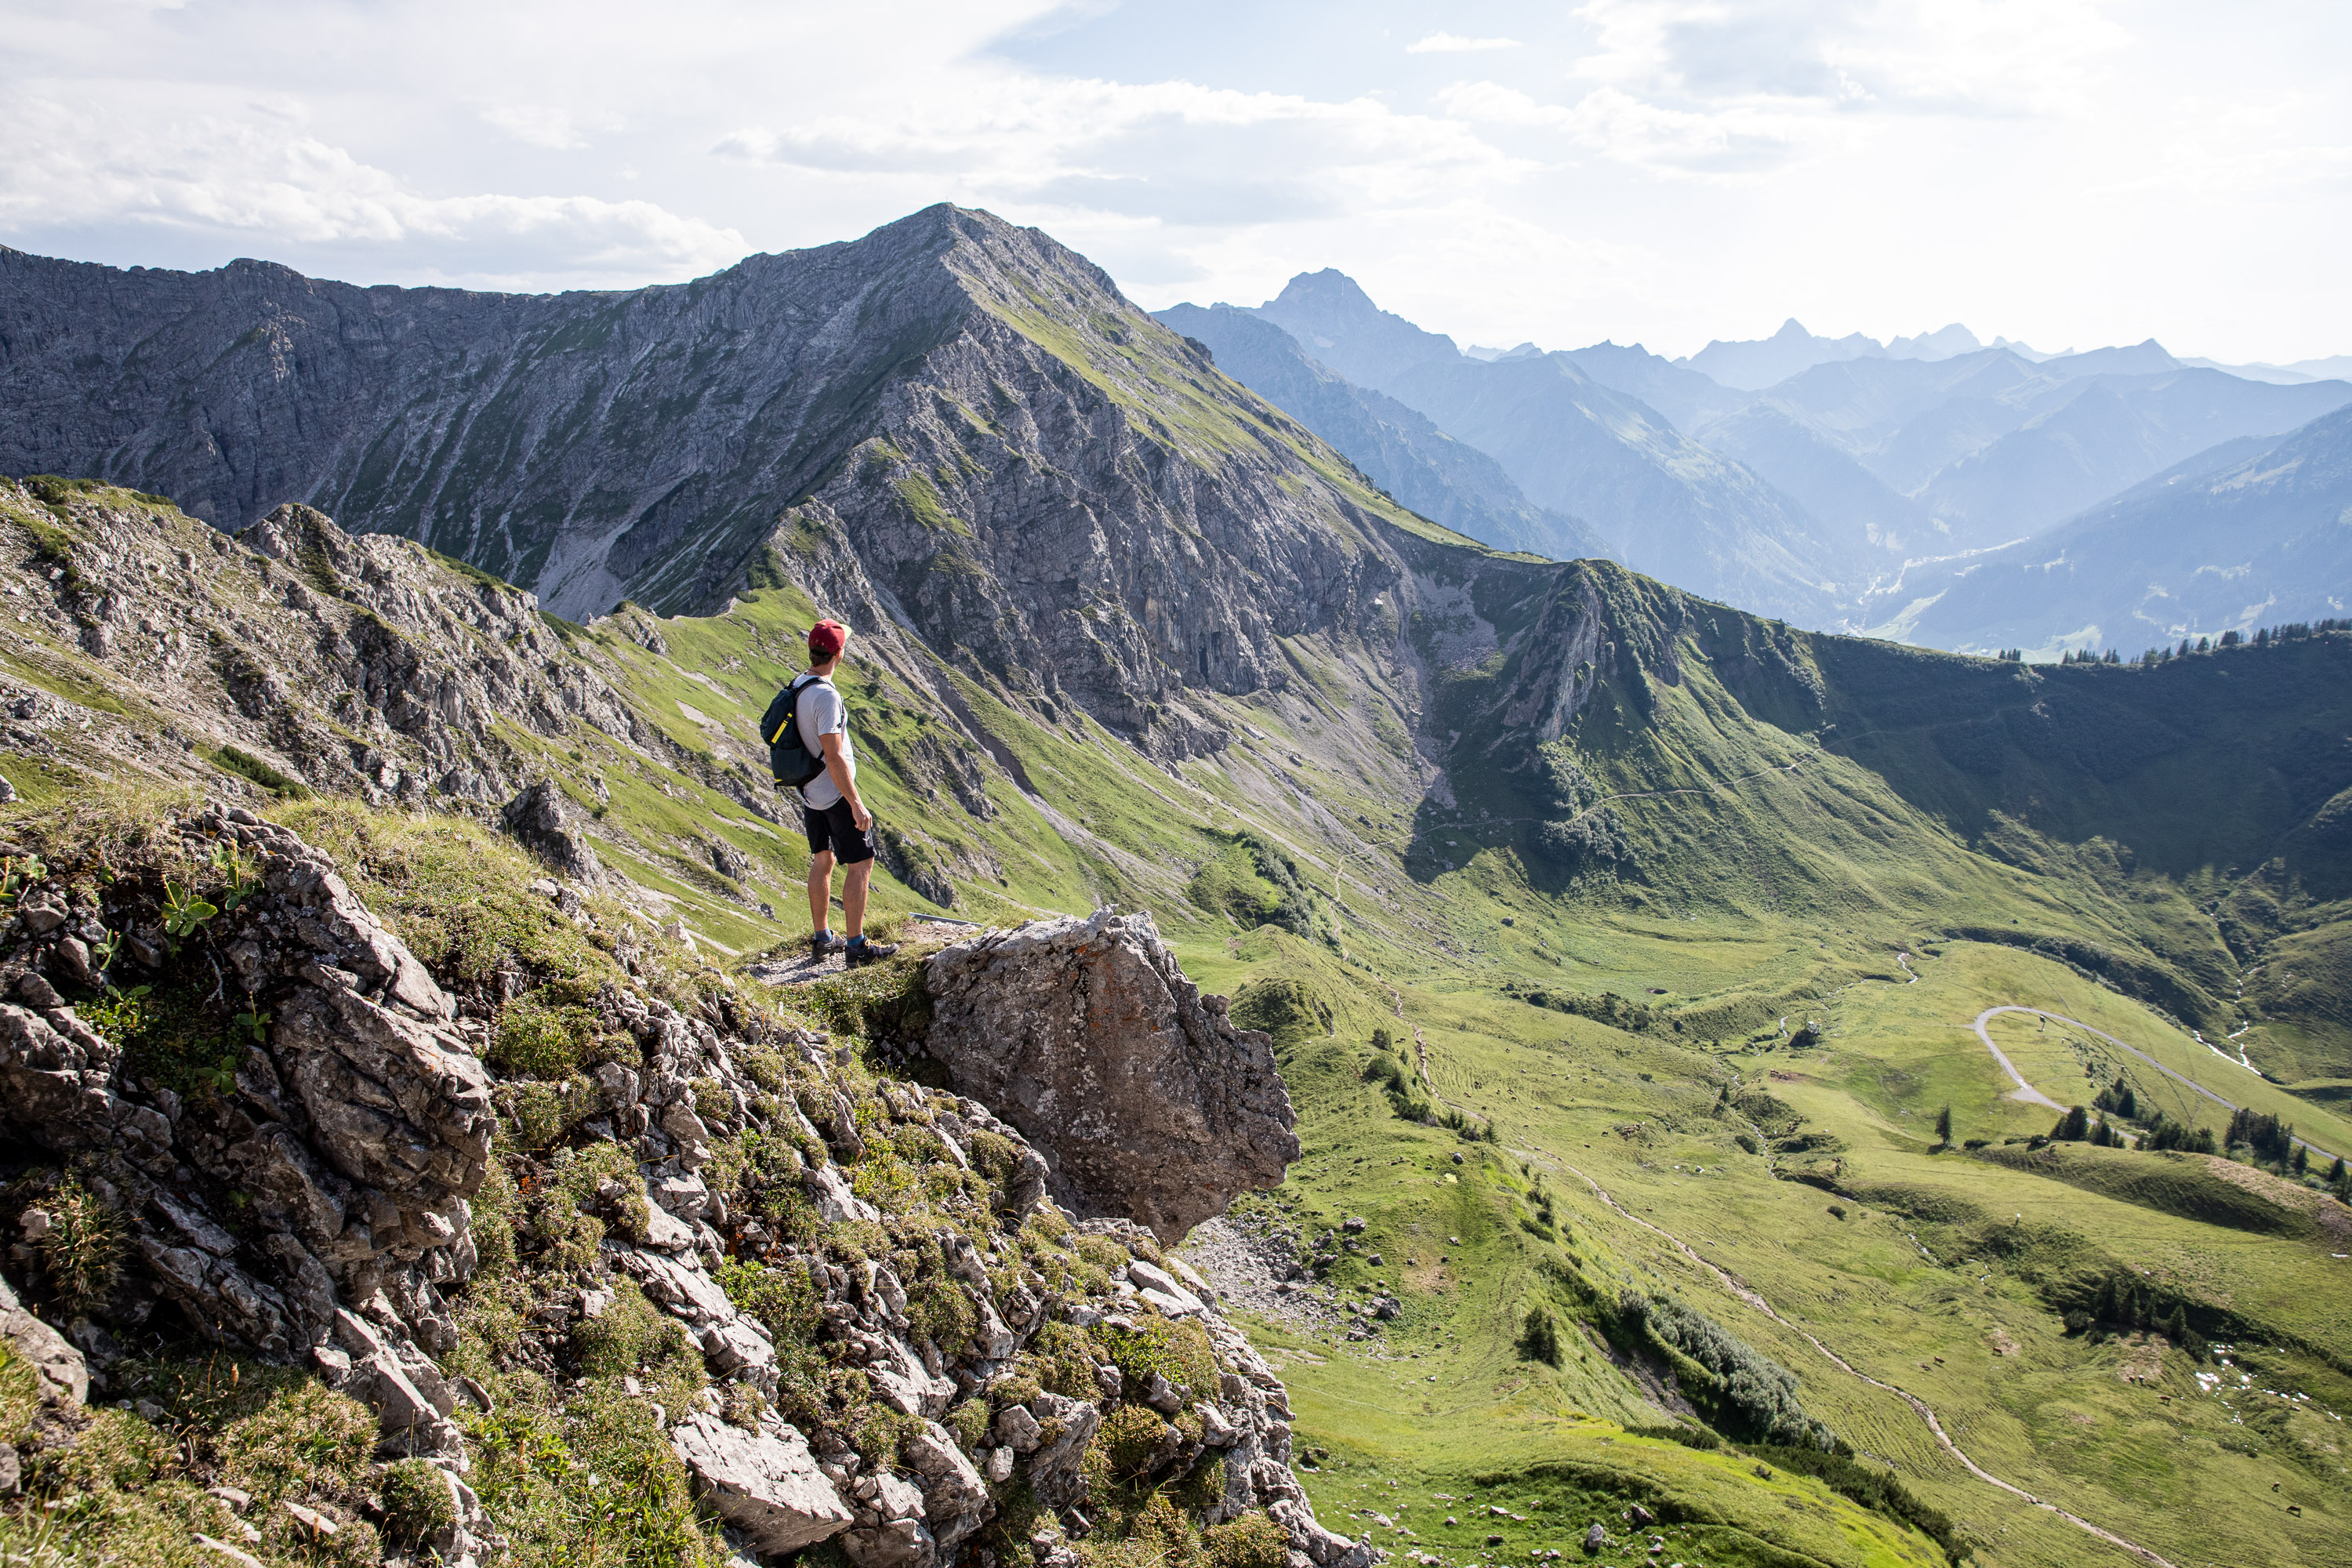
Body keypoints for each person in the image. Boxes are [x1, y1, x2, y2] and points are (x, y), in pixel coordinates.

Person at [789, 619, 898, 965]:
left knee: (823, 859)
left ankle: (823, 939)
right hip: (833, 793)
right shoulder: (827, 696)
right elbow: (834, 756)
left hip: (809, 791)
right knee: (861, 863)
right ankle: (856, 947)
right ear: (839, 654)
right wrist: (856, 804)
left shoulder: (798, 684)